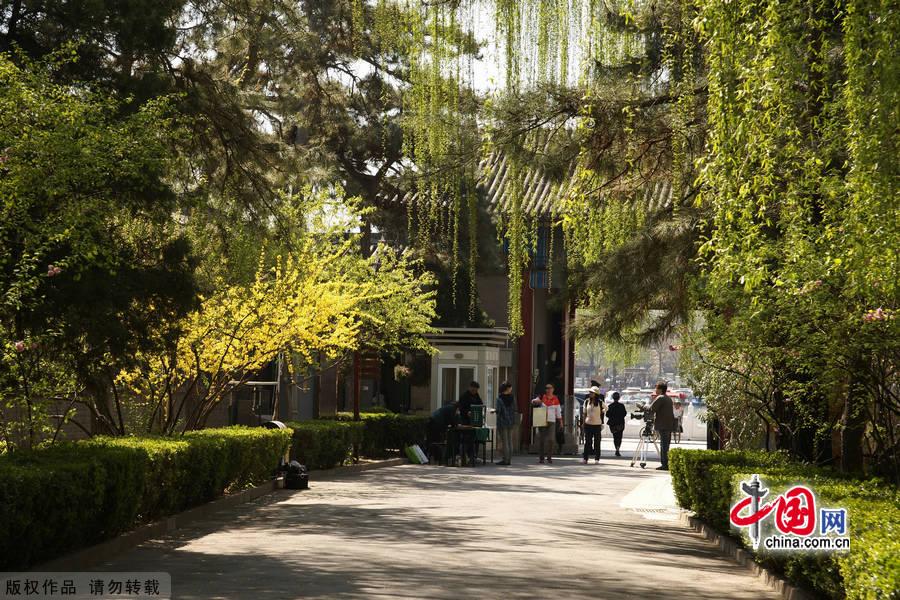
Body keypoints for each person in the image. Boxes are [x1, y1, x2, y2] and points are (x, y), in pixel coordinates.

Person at [648, 381, 676, 470]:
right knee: (666, 445)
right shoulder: (668, 398)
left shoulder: (660, 398)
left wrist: (643, 407)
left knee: (663, 445)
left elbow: (651, 408)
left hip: (663, 425)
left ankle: (664, 464)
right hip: (668, 424)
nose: (655, 390)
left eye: (656, 388)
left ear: (660, 389)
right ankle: (666, 463)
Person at [532, 383, 563, 464]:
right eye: (547, 388)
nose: (548, 390)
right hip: (542, 421)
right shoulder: (542, 397)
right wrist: (535, 401)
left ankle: (549, 457)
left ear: (553, 389)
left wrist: (561, 422)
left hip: (552, 421)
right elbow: (534, 401)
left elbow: (558, 411)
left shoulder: (555, 399)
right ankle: (541, 458)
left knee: (551, 440)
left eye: (550, 388)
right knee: (542, 440)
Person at [457, 381, 483, 466]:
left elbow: (480, 404)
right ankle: (464, 457)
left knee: (474, 439)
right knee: (465, 440)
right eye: (474, 389)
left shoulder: (476, 396)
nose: (475, 391)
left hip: (475, 421)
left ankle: (473, 457)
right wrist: (467, 412)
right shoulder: (464, 396)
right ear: (470, 387)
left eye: (476, 390)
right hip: (465, 421)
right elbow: (461, 408)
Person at [494, 382, 517, 465]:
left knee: (504, 441)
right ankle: (509, 459)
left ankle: (505, 460)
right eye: (510, 387)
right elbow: (515, 408)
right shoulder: (512, 398)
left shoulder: (499, 399)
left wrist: (494, 411)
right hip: (511, 421)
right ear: (507, 389)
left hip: (502, 422)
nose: (511, 389)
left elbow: (498, 410)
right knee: (510, 440)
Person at [582, 386, 605, 464]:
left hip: (597, 425)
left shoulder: (600, 402)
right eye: (590, 392)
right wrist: (583, 423)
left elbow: (606, 408)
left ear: (596, 394)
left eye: (592, 392)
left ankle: (597, 459)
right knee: (588, 442)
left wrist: (602, 411)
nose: (590, 394)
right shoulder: (586, 402)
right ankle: (585, 458)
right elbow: (584, 413)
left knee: (597, 442)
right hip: (588, 424)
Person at [606, 391, 627, 456]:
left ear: (613, 398)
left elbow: (607, 415)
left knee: (615, 437)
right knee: (619, 437)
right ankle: (618, 449)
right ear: (619, 398)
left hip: (613, 425)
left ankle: (616, 448)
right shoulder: (622, 406)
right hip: (620, 424)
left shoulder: (610, 406)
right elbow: (624, 414)